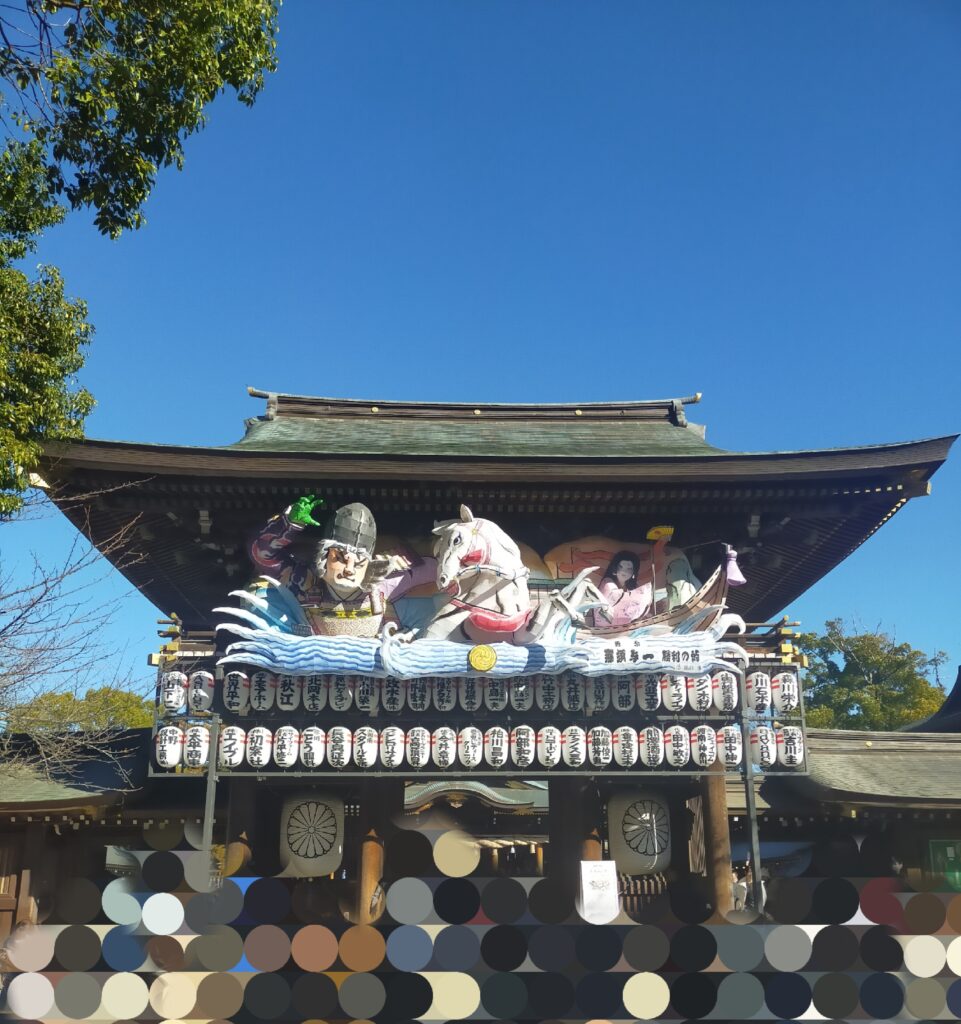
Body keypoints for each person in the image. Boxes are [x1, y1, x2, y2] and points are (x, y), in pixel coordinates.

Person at [250, 495, 435, 637]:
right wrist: (288, 524)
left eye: (359, 562)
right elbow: (263, 555)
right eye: (340, 558)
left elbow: (439, 570)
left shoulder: (384, 586)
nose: (349, 569)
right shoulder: (305, 582)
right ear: (324, 557)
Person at [594, 539, 668, 626]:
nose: (624, 571)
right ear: (614, 569)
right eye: (621, 567)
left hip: (629, 625)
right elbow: (611, 599)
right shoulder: (607, 583)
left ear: (634, 573)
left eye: (629, 569)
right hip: (607, 623)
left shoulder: (632, 587)